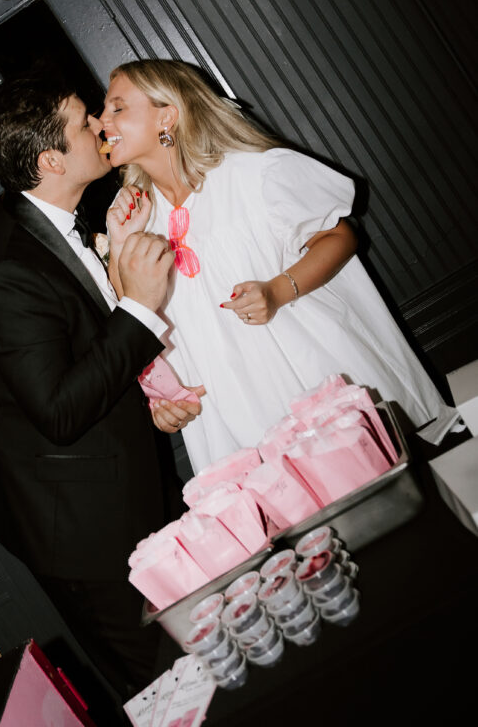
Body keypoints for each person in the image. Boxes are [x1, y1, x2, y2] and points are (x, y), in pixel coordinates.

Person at [0, 75, 200, 708]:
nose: (101, 123)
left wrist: (117, 257)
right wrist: (142, 309)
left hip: (119, 494)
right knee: (174, 688)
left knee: (207, 649)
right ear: (50, 161)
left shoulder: (52, 224)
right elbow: (60, 411)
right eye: (84, 122)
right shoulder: (9, 267)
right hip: (83, 531)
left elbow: (83, 349)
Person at [100, 59, 455, 475]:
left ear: (168, 115)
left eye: (117, 108)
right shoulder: (136, 219)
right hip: (238, 422)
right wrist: (164, 398)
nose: (101, 120)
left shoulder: (255, 175)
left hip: (315, 382)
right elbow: (136, 324)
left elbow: (340, 236)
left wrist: (277, 291)